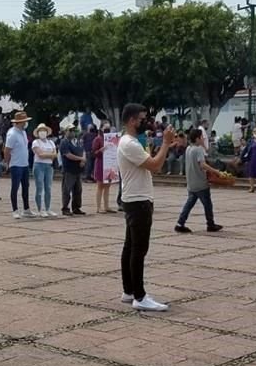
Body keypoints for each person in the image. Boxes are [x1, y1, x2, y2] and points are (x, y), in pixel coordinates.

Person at [117, 103, 176, 312]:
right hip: (138, 201)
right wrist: (166, 143)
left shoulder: (130, 142)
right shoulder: (129, 143)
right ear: (132, 120)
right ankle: (139, 296)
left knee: (130, 246)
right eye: (143, 119)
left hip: (135, 198)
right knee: (139, 249)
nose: (147, 122)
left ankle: (129, 290)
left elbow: (149, 162)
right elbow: (156, 166)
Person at [175, 129, 224, 234]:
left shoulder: (188, 148)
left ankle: (180, 223)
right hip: (201, 183)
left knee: (189, 204)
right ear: (197, 138)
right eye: (201, 137)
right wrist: (216, 171)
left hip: (191, 183)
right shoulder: (198, 150)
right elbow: (202, 164)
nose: (203, 139)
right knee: (207, 204)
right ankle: (210, 224)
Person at [5, 111, 35, 219]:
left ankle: (26, 209)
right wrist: (7, 163)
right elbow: (7, 150)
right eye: (24, 122)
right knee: (15, 187)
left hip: (24, 163)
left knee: (26, 187)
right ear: (19, 122)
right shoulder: (12, 134)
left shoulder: (23, 132)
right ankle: (15, 209)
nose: (26, 124)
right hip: (16, 164)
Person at [31, 123, 57, 217]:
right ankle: (40, 209)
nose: (43, 132)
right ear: (38, 133)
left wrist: (47, 154)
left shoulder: (51, 142)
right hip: (39, 166)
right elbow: (40, 155)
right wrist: (49, 155)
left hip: (49, 166)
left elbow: (55, 154)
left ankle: (48, 208)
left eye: (44, 130)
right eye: (41, 131)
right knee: (39, 187)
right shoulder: (36, 142)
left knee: (48, 188)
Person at [59, 127, 86, 216]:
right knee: (67, 189)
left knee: (78, 190)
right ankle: (65, 208)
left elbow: (83, 151)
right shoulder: (64, 142)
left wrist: (83, 159)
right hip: (69, 170)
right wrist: (80, 158)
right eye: (70, 130)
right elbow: (68, 155)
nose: (72, 132)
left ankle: (76, 207)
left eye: (73, 131)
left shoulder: (77, 141)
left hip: (78, 169)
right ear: (65, 132)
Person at [93, 124, 117, 214]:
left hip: (109, 163)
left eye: (108, 128)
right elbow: (94, 153)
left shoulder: (111, 138)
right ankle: (98, 207)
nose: (107, 129)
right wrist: (100, 150)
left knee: (108, 185)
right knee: (100, 186)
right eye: (105, 128)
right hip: (100, 163)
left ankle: (107, 206)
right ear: (101, 128)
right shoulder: (98, 139)